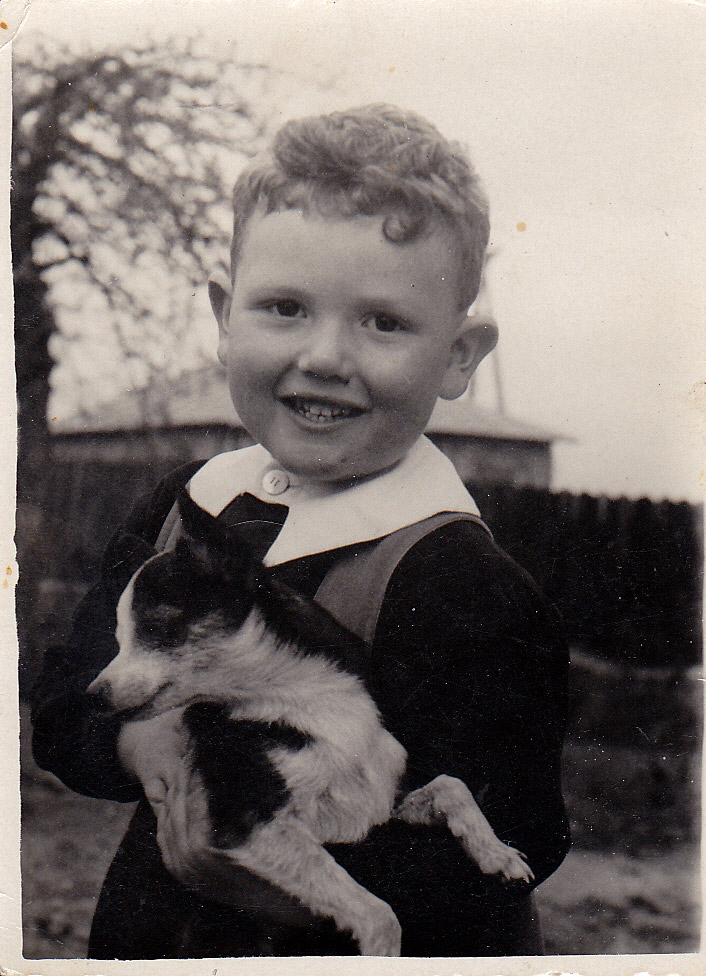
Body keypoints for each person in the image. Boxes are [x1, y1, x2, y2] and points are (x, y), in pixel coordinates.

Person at [31, 103, 570, 958]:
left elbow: (522, 836)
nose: (324, 356)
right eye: (284, 308)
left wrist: (281, 879)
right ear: (222, 316)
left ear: (461, 356)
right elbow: (65, 709)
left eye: (383, 322)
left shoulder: (458, 577)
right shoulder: (185, 507)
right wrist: (144, 743)